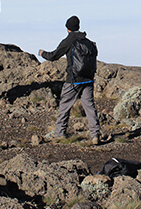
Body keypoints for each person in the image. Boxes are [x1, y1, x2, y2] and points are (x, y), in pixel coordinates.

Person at [38, 16, 101, 145]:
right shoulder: (87, 41)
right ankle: (95, 135)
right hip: (88, 79)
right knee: (90, 107)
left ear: (67, 28)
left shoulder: (69, 41)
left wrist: (42, 53)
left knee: (64, 106)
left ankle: (60, 134)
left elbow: (54, 56)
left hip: (74, 80)